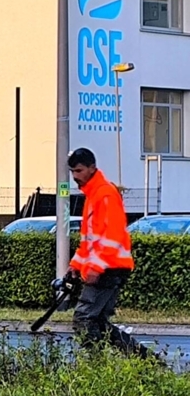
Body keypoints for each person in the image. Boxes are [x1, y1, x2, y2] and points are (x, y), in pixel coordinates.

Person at [66, 147, 139, 353]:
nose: (75, 176)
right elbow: (89, 242)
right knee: (97, 322)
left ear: (92, 168)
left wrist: (96, 267)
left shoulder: (104, 194)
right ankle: (143, 360)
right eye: (72, 171)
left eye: (79, 171)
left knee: (84, 318)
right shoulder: (95, 194)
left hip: (109, 267)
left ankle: (96, 365)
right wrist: (75, 265)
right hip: (109, 266)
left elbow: (112, 236)